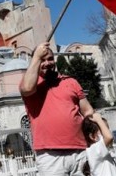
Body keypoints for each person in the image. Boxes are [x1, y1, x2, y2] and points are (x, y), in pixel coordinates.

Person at [19, 42, 95, 175]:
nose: (47, 63)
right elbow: (27, 89)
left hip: (79, 151)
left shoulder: (70, 82)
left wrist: (94, 134)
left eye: (50, 59)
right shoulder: (31, 84)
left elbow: (87, 111)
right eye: (42, 60)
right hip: (50, 156)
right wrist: (36, 57)